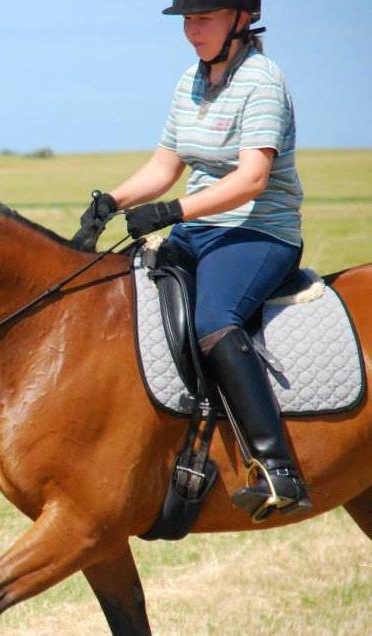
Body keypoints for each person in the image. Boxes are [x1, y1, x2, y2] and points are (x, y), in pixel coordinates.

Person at [79, 0, 311, 521]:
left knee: (214, 320)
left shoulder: (263, 82)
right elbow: (165, 166)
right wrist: (111, 202)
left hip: (258, 232)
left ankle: (278, 469)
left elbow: (252, 179)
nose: (191, 30)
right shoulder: (190, 81)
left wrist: (172, 210)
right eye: (187, 20)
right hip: (197, 229)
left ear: (241, 19)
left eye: (203, 19)